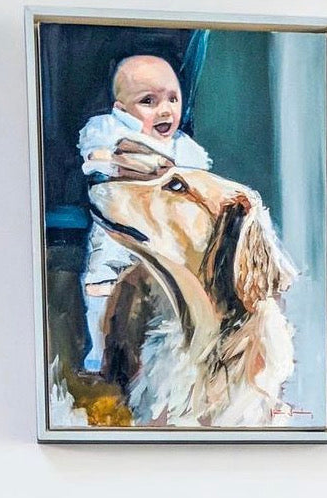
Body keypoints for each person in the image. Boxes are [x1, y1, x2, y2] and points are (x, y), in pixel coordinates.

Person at [78, 55, 211, 372]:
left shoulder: (183, 148)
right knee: (102, 281)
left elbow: (196, 184)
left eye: (173, 99)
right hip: (117, 230)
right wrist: (119, 161)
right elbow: (93, 159)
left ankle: (161, 352)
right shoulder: (108, 129)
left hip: (162, 234)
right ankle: (100, 350)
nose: (166, 110)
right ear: (121, 110)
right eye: (149, 101)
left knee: (165, 291)